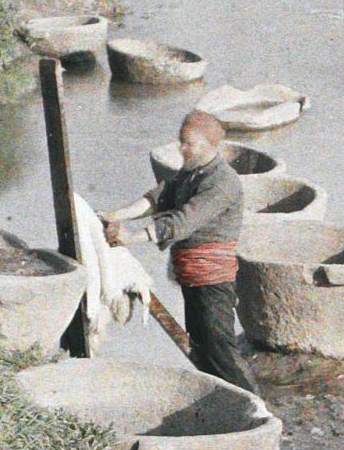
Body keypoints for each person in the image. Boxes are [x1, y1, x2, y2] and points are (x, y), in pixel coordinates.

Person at [101, 111, 261, 395]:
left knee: (220, 349)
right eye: (181, 142)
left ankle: (255, 408)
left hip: (212, 280)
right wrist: (116, 214)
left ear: (212, 147)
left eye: (190, 144)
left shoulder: (223, 183)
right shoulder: (191, 172)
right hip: (191, 276)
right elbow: (159, 197)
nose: (182, 149)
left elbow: (182, 221)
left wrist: (131, 238)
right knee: (200, 345)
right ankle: (223, 401)